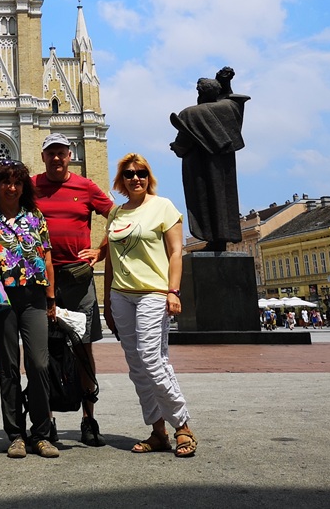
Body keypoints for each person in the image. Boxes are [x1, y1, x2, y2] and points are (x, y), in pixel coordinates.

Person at [101, 153, 197, 457]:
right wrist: (107, 300)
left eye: (141, 173)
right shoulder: (116, 214)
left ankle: (182, 425)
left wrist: (173, 291)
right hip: (121, 295)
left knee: (152, 360)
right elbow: (111, 262)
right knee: (136, 367)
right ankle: (158, 432)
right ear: (121, 180)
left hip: (153, 293)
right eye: (129, 174)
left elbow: (175, 253)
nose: (135, 178)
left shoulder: (163, 207)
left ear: (148, 176)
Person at [32, 132, 112, 446]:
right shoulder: (32, 186)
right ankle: (46, 421)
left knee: (83, 347)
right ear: (43, 157)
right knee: (42, 351)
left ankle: (89, 420)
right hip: (40, 278)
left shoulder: (85, 186)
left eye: (61, 152)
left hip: (78, 277)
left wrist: (101, 251)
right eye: (50, 153)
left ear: (70, 155)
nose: (56, 158)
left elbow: (117, 218)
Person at [0, 160, 59, 460]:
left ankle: (41, 433)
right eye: (5, 182)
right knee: (8, 368)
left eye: (17, 182)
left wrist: (51, 299)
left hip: (33, 297)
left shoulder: (36, 216)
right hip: (2, 299)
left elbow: (48, 257)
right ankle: (15, 434)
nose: (12, 187)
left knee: (40, 364)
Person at [168, 67, 250, 252]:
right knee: (222, 199)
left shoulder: (190, 113)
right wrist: (224, 82)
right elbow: (230, 100)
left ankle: (213, 240)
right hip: (224, 167)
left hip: (199, 167)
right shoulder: (229, 109)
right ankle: (221, 240)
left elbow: (183, 143)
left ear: (199, 93)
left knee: (203, 201)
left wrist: (176, 147)